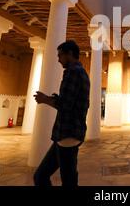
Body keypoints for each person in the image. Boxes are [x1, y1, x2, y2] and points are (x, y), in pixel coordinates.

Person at [33, 40, 90, 187]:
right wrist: (54, 99)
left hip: (67, 135)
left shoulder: (73, 72)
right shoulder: (80, 72)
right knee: (41, 176)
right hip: (66, 135)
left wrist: (45, 99)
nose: (58, 59)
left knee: (64, 181)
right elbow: (71, 102)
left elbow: (66, 106)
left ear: (70, 54)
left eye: (60, 55)